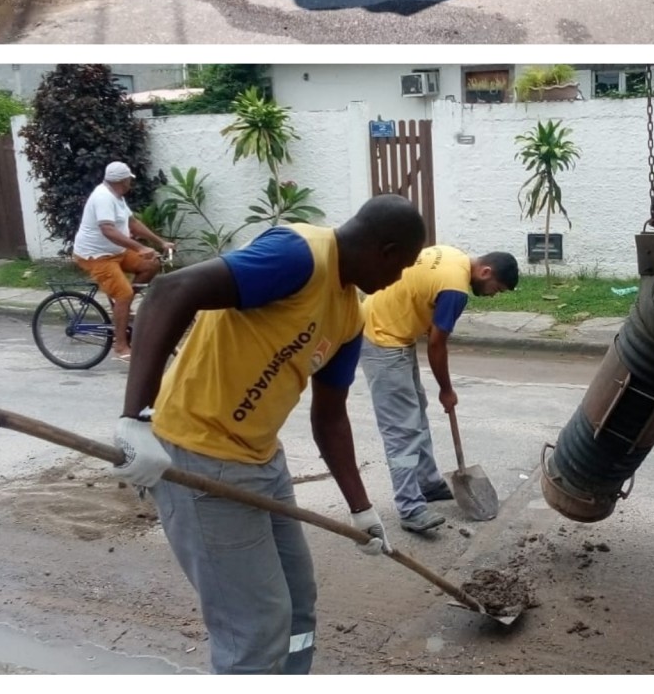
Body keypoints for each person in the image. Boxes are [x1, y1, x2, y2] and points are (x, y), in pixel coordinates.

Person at [111, 194, 427, 675]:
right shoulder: (298, 255)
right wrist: (134, 418)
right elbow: (170, 292)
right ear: (384, 250)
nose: (400, 278)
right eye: (402, 265)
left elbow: (330, 418)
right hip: (196, 457)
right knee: (253, 630)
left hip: (261, 462)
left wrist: (362, 510)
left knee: (297, 605)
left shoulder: (349, 316)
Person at [360, 245, 519, 532]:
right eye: (498, 288)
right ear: (486, 272)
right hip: (382, 338)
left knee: (416, 414)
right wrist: (446, 389)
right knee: (401, 431)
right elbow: (436, 344)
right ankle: (410, 507)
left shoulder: (453, 255)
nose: (494, 294)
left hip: (392, 328)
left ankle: (428, 483)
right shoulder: (456, 290)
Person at [72, 161, 173, 360]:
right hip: (96, 256)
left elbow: (132, 223)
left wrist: (160, 242)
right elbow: (107, 229)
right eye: (129, 180)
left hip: (117, 252)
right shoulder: (103, 197)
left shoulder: (117, 196)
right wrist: (140, 247)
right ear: (121, 181)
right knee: (124, 294)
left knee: (150, 264)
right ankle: (120, 346)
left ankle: (123, 308)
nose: (130, 183)